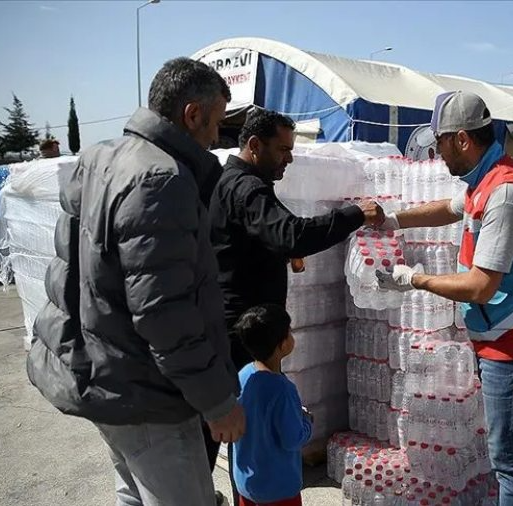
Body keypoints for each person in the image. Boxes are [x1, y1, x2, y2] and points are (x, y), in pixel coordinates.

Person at [26, 57, 244, 506]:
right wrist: (217, 402)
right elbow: (165, 314)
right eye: (216, 123)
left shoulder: (102, 157)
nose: (216, 137)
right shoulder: (162, 179)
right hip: (147, 394)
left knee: (134, 494)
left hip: (107, 377)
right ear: (192, 114)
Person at [376, 91, 513, 505]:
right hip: (501, 340)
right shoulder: (485, 180)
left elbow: (482, 286)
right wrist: (392, 220)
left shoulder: (507, 193)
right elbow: (448, 207)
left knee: (510, 462)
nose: (436, 151)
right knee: (508, 454)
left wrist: (415, 279)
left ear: (461, 139)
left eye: (439, 142)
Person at [210, 106, 384, 369]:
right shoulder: (247, 189)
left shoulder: (235, 182)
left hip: (243, 326)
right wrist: (355, 215)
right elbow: (292, 234)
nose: (289, 159)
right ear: (255, 145)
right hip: (244, 333)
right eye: (283, 150)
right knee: (251, 404)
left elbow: (272, 234)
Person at [231, 304, 312, 506]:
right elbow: (292, 439)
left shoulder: (242, 376)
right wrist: (307, 422)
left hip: (246, 484)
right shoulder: (283, 390)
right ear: (281, 345)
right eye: (289, 332)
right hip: (278, 490)